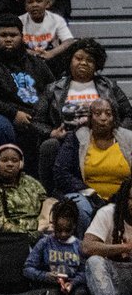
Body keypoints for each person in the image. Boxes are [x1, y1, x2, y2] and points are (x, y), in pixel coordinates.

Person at [36, 40, 132, 192]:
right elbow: (37, 121)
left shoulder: (109, 86)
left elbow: (129, 115)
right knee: (49, 146)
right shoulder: (53, 88)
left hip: (102, 139)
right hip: (68, 142)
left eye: (90, 60)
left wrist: (115, 131)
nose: (84, 63)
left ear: (97, 65)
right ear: (70, 60)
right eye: (78, 58)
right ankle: (50, 194)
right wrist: (52, 132)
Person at [0, 15, 55, 172]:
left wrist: (41, 117)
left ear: (22, 37)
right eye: (3, 35)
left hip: (34, 117)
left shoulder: (36, 63)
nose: (8, 39)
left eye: (13, 35)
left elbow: (52, 92)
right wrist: (13, 113)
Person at [54, 98, 132, 236]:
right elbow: (61, 173)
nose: (103, 118)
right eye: (98, 113)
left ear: (114, 118)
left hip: (125, 197)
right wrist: (90, 192)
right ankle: (85, 247)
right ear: (90, 118)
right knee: (77, 205)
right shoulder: (77, 138)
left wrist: (123, 195)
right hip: (87, 196)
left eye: (108, 114)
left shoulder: (128, 139)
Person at [23, 198, 96, 295]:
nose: (62, 234)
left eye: (67, 230)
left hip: (73, 284)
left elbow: (85, 271)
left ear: (74, 226)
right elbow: (28, 268)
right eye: (59, 230)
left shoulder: (79, 245)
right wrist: (46, 276)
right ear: (53, 225)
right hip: (51, 284)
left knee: (80, 294)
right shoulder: (45, 243)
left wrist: (73, 283)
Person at [82, 177, 132, 295]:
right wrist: (123, 248)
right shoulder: (108, 213)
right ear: (124, 199)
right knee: (94, 261)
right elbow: (87, 247)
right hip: (112, 280)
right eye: (131, 198)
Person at [0, 143, 48, 238]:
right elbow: (0, 225)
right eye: (4, 160)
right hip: (13, 240)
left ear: (21, 164)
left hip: (42, 234)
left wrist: (46, 220)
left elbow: (47, 204)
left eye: (14, 160)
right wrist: (36, 228)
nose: (10, 164)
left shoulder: (32, 183)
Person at [19, 0, 75, 76]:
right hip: (27, 62)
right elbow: (16, 44)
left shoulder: (56, 19)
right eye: (30, 2)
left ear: (47, 3)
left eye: (39, 1)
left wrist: (50, 54)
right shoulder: (19, 21)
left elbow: (69, 41)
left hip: (51, 61)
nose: (34, 5)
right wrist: (32, 53)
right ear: (25, 6)